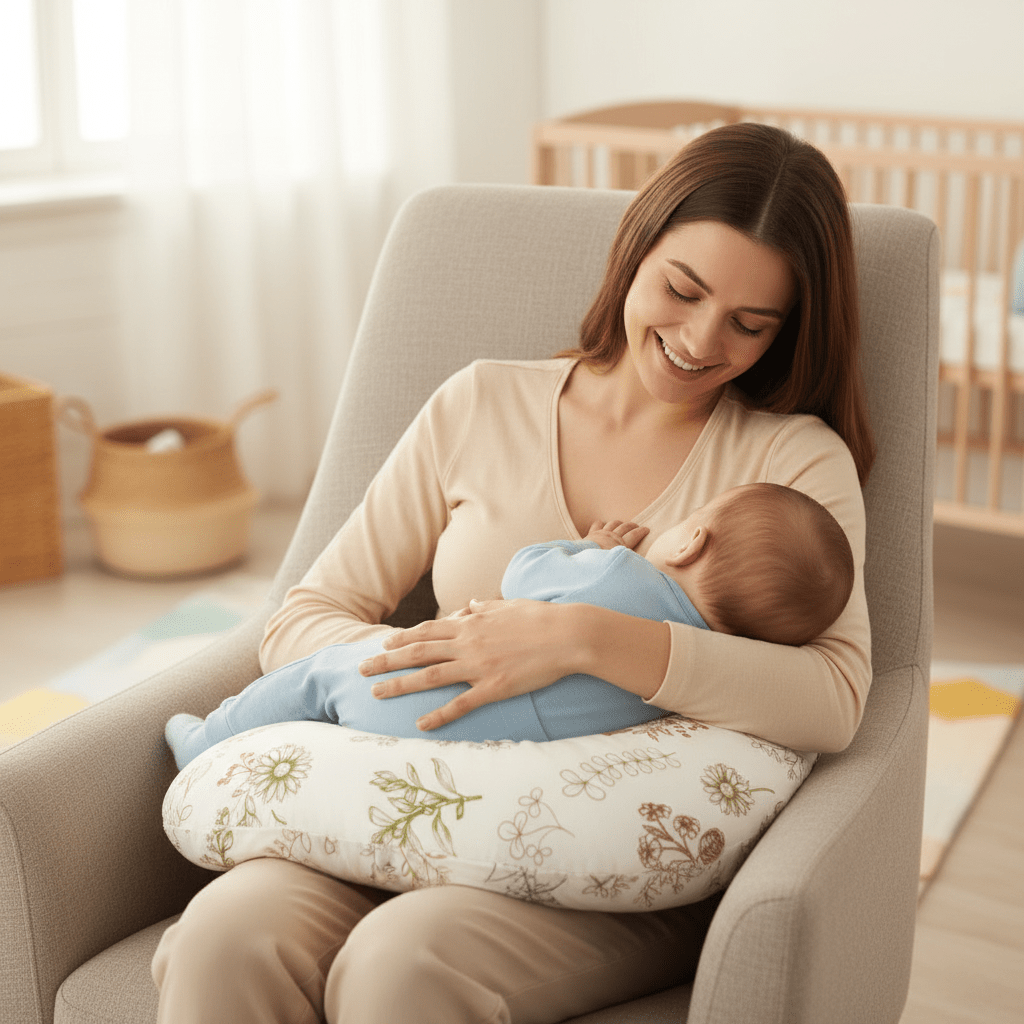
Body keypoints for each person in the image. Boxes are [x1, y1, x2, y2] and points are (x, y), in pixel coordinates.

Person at [152, 121, 875, 1024]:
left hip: (598, 866)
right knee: (226, 934)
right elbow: (308, 616)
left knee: (400, 963)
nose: (699, 340)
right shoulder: (482, 402)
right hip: (401, 805)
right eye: (680, 290)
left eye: (749, 324)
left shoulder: (789, 464)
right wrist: (442, 663)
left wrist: (582, 638)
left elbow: (836, 697)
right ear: (634, 251)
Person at [164, 482, 854, 771]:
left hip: (413, 696)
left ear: (686, 542)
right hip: (483, 751)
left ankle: (208, 742)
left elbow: (525, 574)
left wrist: (589, 546)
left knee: (318, 677)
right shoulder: (692, 674)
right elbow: (306, 609)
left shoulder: (621, 572)